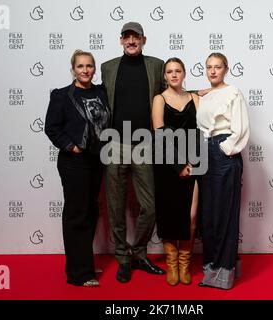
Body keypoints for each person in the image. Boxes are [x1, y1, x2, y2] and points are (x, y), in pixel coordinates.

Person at [100, 22, 166, 283]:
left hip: (144, 144)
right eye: (126, 36)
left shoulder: (156, 65)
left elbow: (169, 94)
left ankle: (139, 252)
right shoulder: (107, 68)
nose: (131, 40)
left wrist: (195, 94)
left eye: (135, 36)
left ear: (144, 39)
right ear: (120, 41)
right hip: (115, 143)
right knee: (115, 207)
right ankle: (122, 257)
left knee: (149, 207)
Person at [45, 49, 110, 286]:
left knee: (90, 211)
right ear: (73, 69)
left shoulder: (101, 92)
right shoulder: (62, 95)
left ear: (94, 68)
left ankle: (85, 263)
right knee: (76, 214)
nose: (85, 70)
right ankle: (79, 274)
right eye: (80, 66)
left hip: (97, 159)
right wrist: (71, 147)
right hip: (74, 162)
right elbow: (52, 127)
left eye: (89, 66)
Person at [196, 52, 250, 290]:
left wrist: (225, 149)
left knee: (224, 214)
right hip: (205, 153)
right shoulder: (205, 96)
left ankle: (223, 272)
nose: (213, 71)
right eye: (209, 67)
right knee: (208, 214)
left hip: (223, 152)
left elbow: (240, 128)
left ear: (226, 69)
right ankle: (212, 267)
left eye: (217, 67)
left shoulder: (233, 93)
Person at [152, 58, 199, 286]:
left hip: (193, 163)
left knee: (190, 217)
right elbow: (160, 135)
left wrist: (192, 163)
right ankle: (172, 264)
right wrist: (179, 165)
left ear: (184, 73)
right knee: (169, 215)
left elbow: (201, 131)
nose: (173, 75)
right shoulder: (159, 99)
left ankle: (185, 262)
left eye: (177, 70)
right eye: (169, 71)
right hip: (167, 166)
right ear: (164, 75)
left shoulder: (195, 98)